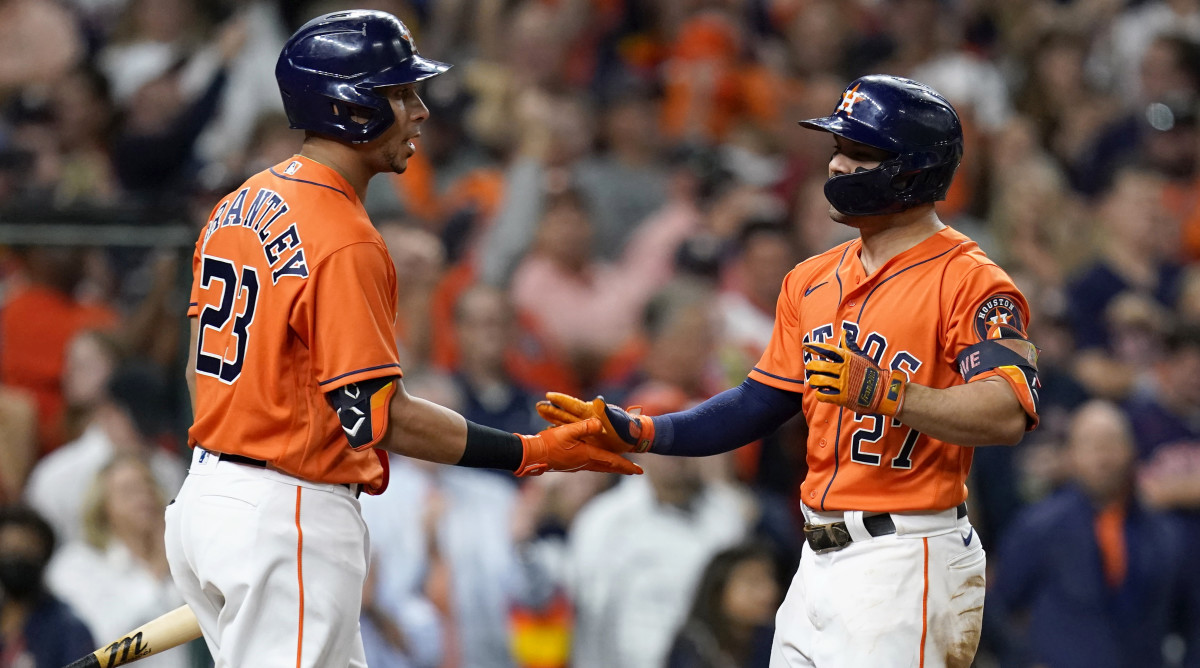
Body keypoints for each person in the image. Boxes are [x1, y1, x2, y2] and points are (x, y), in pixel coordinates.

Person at [163, 11, 640, 668]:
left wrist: (226, 495)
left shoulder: (238, 203)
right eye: (399, 94)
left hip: (211, 496)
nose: (418, 112)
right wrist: (530, 451)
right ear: (349, 104)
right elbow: (374, 416)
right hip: (285, 510)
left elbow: (199, 365)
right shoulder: (345, 235)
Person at [538, 75, 1042, 668]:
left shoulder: (972, 280)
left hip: (909, 556)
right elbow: (758, 402)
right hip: (818, 558)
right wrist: (647, 432)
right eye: (837, 149)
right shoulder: (809, 279)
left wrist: (886, 392)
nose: (836, 166)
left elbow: (1007, 413)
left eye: (859, 153)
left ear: (913, 169)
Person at [988, 401, 1183, 668]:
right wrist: (1023, 659)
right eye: (1090, 444)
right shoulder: (1038, 527)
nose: (1102, 455)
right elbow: (998, 607)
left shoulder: (1165, 534)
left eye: (1112, 442)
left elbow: (1187, 616)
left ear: (1133, 450)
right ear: (1070, 456)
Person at [48, 456, 187, 668]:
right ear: (103, 505)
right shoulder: (77, 565)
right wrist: (156, 575)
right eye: (129, 491)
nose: (144, 498)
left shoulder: (182, 556)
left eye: (149, 486)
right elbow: (101, 644)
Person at [0, 505, 94, 668]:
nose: (15, 560)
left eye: (25, 552)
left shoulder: (68, 629)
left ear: (44, 556)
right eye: (8, 551)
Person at [666, 542, 781, 668]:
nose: (769, 593)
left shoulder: (773, 640)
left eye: (770, 579)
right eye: (753, 583)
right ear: (717, 592)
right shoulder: (694, 645)